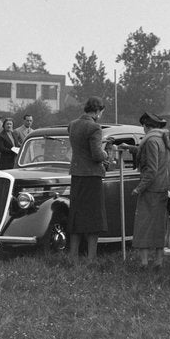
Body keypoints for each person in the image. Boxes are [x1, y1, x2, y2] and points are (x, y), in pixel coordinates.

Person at [68, 97, 112, 262]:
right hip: (91, 176)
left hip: (76, 174)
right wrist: (106, 152)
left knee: (76, 216)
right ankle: (91, 257)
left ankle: (73, 256)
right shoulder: (94, 127)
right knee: (93, 218)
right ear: (97, 110)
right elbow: (96, 155)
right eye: (101, 112)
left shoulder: (72, 125)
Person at [132, 112, 170, 269]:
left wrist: (138, 188)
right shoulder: (162, 139)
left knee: (143, 225)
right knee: (158, 225)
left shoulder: (150, 141)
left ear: (147, 126)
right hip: (162, 187)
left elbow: (151, 169)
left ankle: (143, 262)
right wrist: (131, 148)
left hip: (150, 189)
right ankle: (159, 261)